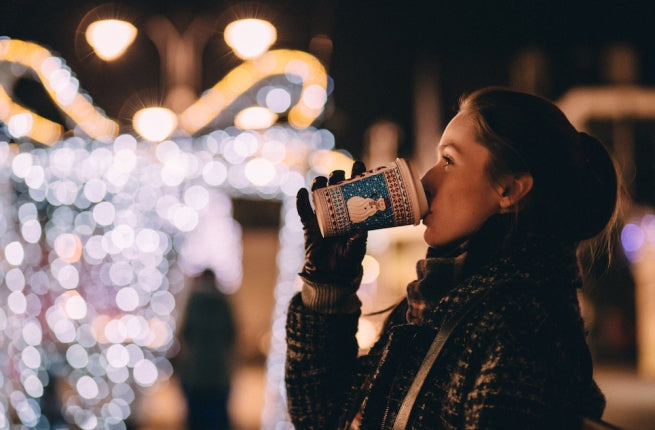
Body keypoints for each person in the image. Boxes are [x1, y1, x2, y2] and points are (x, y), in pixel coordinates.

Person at [285, 87, 621, 429]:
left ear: (509, 189)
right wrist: (328, 288)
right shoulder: (434, 301)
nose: (427, 180)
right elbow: (323, 417)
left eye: (448, 160)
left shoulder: (519, 324)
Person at [175, 269, 237, 430]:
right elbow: (231, 334)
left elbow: (185, 333)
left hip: (196, 371)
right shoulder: (223, 302)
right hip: (218, 371)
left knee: (196, 418)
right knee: (217, 418)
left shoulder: (194, 302)